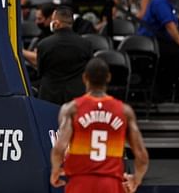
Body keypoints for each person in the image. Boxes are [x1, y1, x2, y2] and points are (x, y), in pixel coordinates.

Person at [50, 58, 149, 193]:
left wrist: (55, 171)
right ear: (108, 77)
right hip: (110, 184)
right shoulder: (124, 111)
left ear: (85, 78)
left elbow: (59, 148)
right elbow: (142, 156)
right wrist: (136, 179)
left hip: (80, 182)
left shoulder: (71, 109)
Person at [36, 6, 92, 104]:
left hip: (50, 96)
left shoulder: (44, 45)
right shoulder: (86, 44)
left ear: (56, 23)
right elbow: (89, 71)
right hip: (77, 96)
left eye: (52, 20)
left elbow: (40, 71)